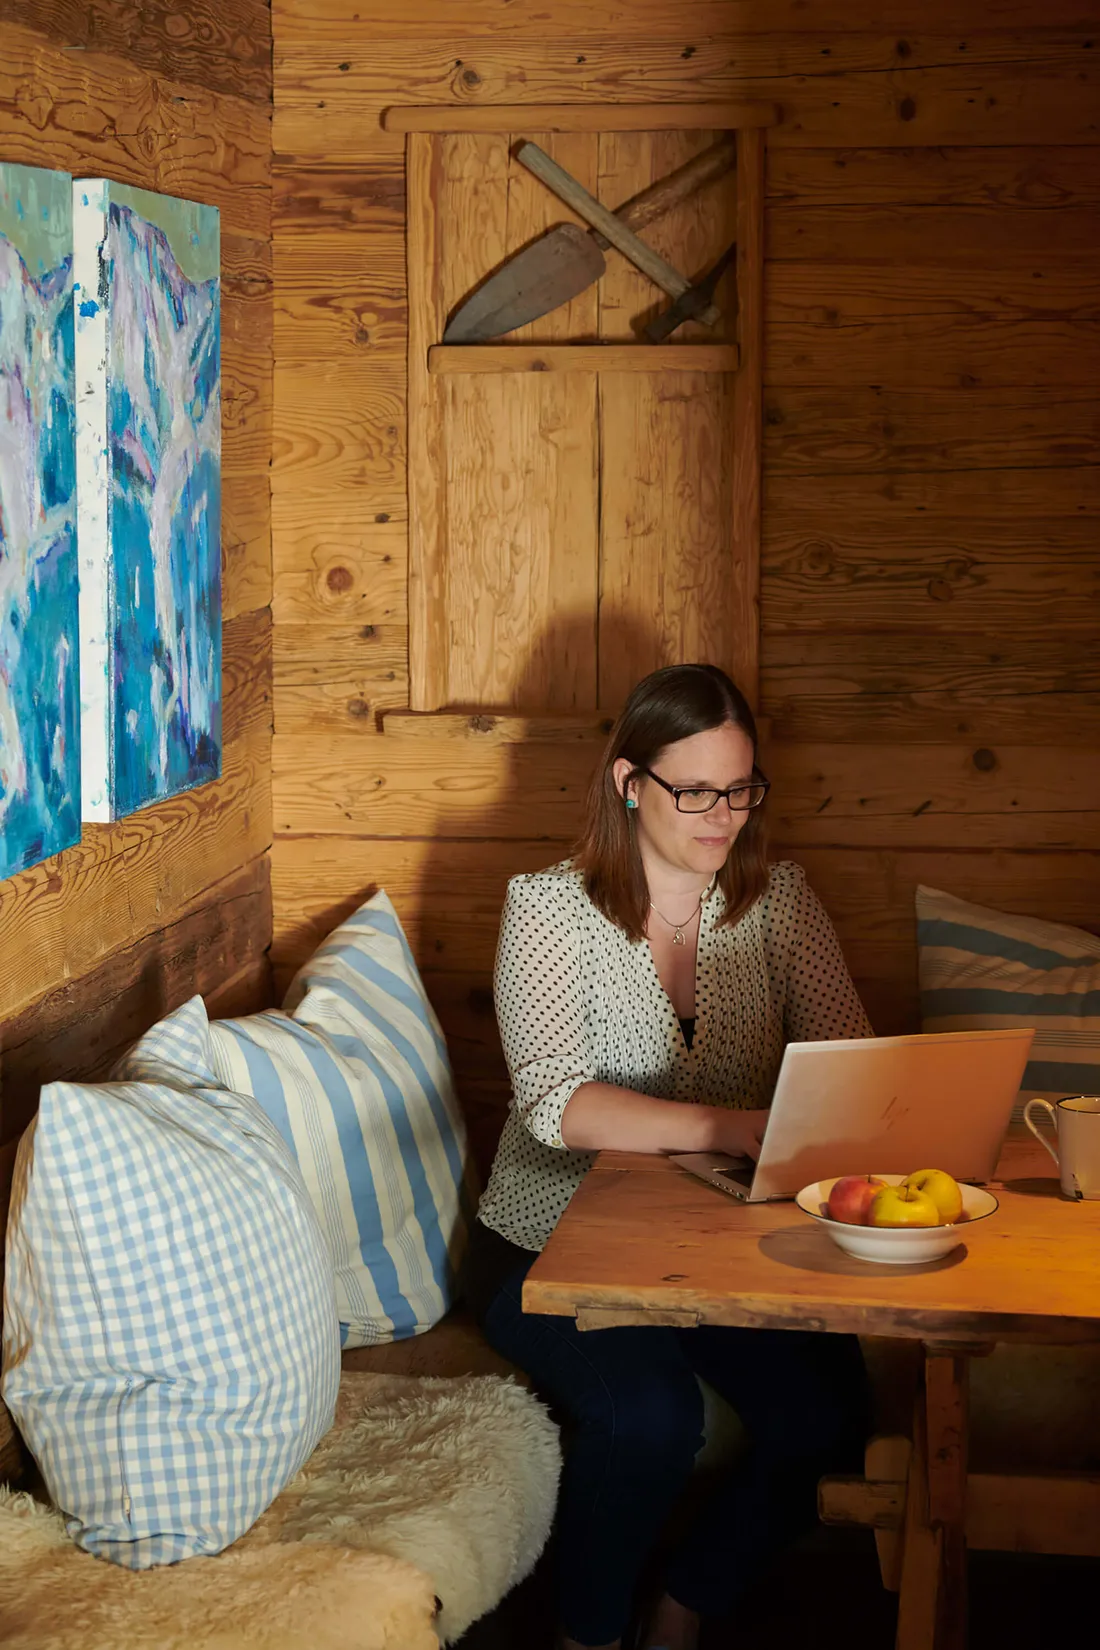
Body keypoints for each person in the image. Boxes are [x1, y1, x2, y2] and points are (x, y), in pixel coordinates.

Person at [462, 664, 873, 1650]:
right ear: (626, 782)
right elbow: (557, 1104)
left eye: (739, 789)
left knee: (829, 1419)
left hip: (719, 1246)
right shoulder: (548, 908)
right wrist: (729, 1126)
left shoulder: (778, 899)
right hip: (549, 1246)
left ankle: (682, 1606)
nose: (721, 814)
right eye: (694, 791)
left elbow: (851, 1062)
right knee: (647, 1420)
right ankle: (587, 1634)